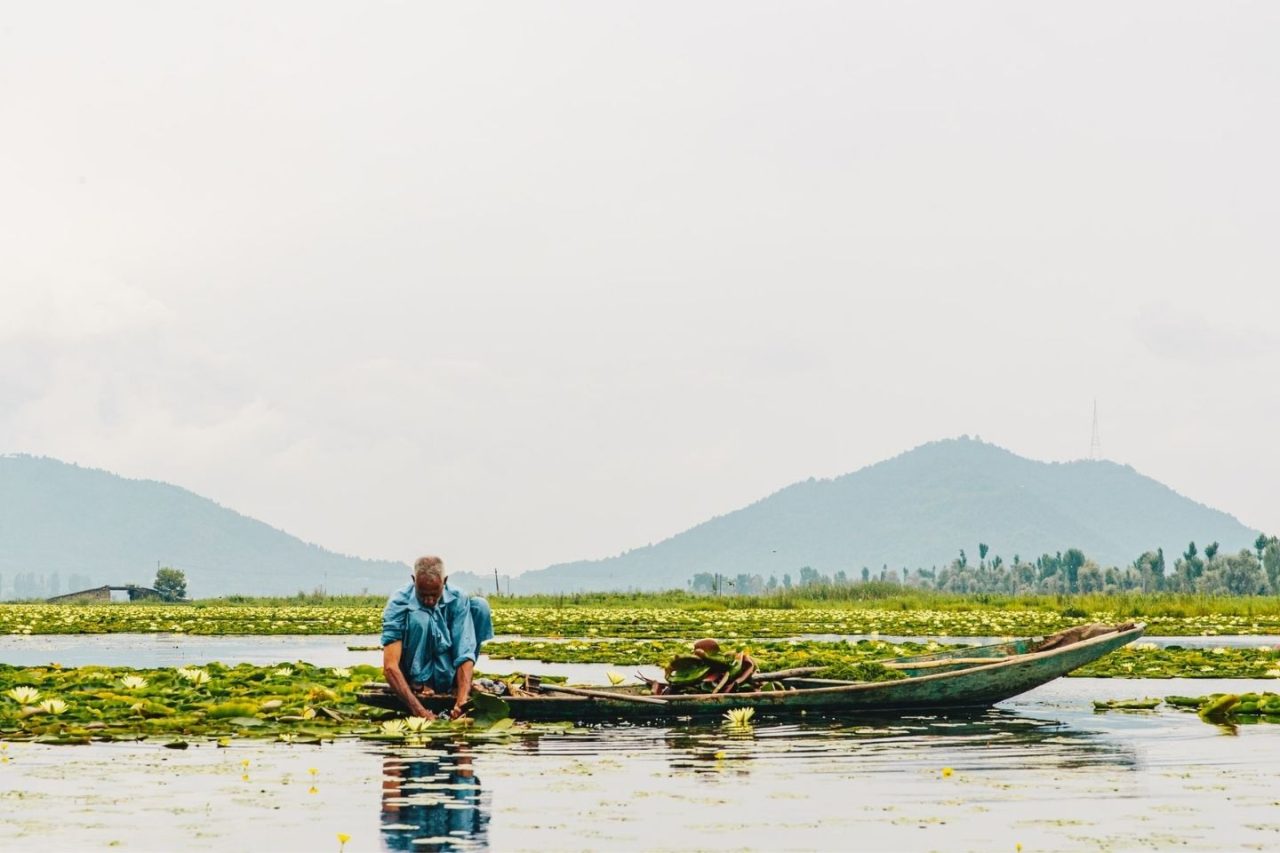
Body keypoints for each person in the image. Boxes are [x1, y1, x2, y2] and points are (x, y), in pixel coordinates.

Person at [382, 556, 495, 720]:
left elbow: (465, 651)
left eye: (434, 594)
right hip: (415, 673)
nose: (428, 600)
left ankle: (458, 685)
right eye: (423, 594)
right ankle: (419, 683)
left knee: (479, 606)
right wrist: (419, 710)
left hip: (447, 670)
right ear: (414, 581)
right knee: (420, 617)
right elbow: (390, 667)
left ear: (445, 581)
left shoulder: (458, 599)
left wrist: (462, 701)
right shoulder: (399, 603)